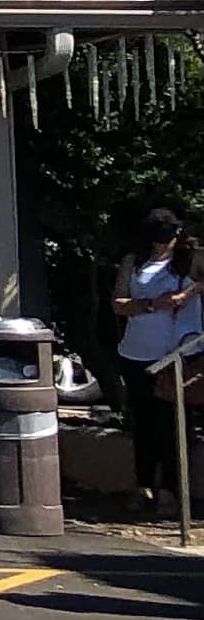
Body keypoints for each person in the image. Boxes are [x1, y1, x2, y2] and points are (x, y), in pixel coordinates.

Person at [108, 208, 200, 502]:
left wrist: (187, 295)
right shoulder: (134, 262)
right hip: (136, 352)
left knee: (172, 423)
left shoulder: (190, 259)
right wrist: (152, 305)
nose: (162, 244)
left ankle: (171, 490)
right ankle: (144, 483)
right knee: (144, 421)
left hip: (175, 354)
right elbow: (119, 303)